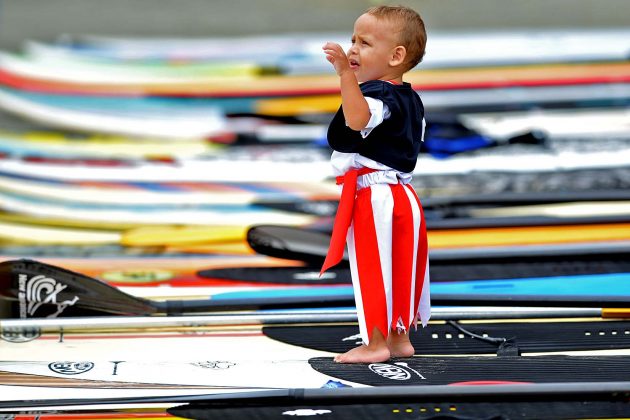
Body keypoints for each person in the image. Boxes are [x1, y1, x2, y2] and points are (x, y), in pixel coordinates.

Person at [320, 5, 430, 363]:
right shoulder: (410, 98)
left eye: (364, 43)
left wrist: (343, 76)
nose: (353, 49)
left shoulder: (377, 95)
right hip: (403, 194)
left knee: (374, 268)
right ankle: (400, 338)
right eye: (353, 40)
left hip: (375, 195)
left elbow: (356, 120)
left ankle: (376, 343)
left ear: (396, 56)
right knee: (400, 266)